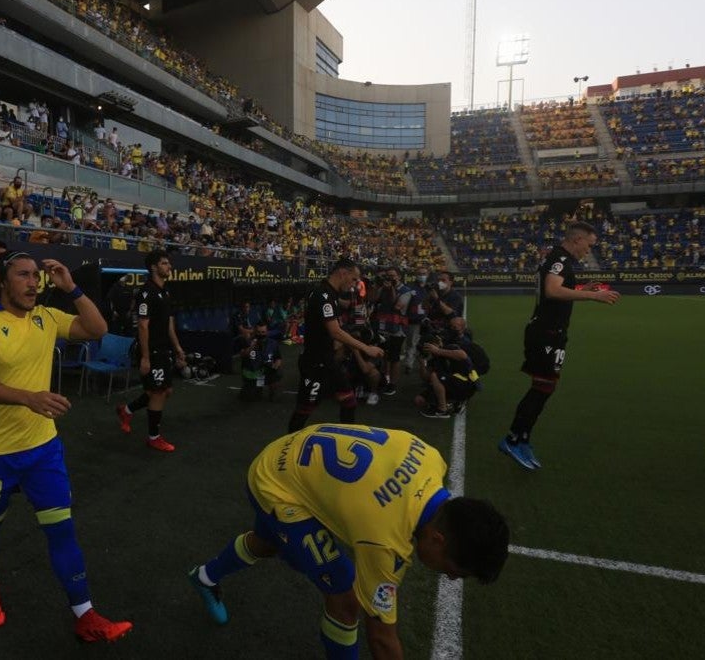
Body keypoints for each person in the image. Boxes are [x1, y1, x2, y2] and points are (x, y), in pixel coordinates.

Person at [186, 424, 509, 659]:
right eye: (455, 570)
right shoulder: (385, 543)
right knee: (344, 596)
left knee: (271, 541)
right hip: (277, 483)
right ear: (438, 539)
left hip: (290, 452)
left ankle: (204, 576)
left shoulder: (431, 457)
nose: (451, 577)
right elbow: (382, 639)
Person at [0, 251, 131, 642]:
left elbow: (98, 328)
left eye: (37, 276)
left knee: (62, 531)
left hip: (43, 450)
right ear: (2, 281)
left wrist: (71, 288)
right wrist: (30, 398)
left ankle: (85, 615)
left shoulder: (46, 317)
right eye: (23, 275)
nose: (34, 282)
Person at [499, 221, 620, 470]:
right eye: (589, 244)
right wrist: (593, 295)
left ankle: (522, 439)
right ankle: (512, 439)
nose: (589, 249)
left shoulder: (560, 259)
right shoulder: (560, 258)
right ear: (577, 240)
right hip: (545, 334)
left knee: (545, 388)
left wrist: (580, 289)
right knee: (542, 388)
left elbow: (556, 290)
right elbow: (552, 291)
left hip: (552, 334)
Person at [286, 259, 385, 434]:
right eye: (354, 279)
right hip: (315, 363)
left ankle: (347, 439)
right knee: (305, 409)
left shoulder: (330, 294)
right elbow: (335, 332)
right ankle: (288, 445)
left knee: (349, 401)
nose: (355, 285)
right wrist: (366, 348)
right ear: (343, 273)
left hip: (328, 361)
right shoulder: (322, 295)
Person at [116, 250, 187, 452]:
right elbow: (143, 326)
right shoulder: (146, 292)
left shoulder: (165, 291)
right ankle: (153, 437)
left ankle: (127, 410)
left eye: (169, 263)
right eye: (165, 263)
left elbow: (169, 323)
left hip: (164, 349)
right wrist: (145, 357)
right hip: (152, 350)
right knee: (158, 391)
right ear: (154, 267)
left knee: (164, 391)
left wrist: (177, 347)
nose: (169, 267)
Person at [373, 269, 413, 397]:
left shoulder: (406, 291)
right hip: (382, 327)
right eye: (387, 276)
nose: (389, 278)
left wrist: (391, 289)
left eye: (392, 276)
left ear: (399, 277)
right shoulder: (383, 288)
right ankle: (385, 379)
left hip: (398, 329)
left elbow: (397, 306)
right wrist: (378, 286)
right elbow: (373, 299)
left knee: (394, 357)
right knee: (383, 356)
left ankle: (393, 384)